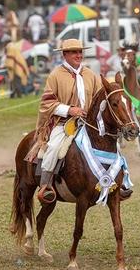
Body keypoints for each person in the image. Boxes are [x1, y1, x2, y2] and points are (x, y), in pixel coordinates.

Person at [29, 39, 102, 203]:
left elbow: (99, 99)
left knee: (111, 144)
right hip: (63, 123)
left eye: (80, 52)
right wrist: (70, 110)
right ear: (65, 54)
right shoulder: (55, 75)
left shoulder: (90, 74)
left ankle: (118, 182)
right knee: (54, 147)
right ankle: (45, 186)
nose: (79, 55)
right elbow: (47, 103)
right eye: (74, 52)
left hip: (89, 124)